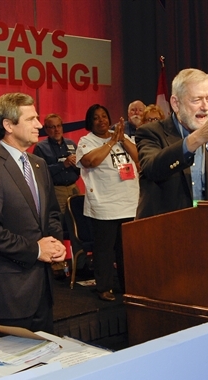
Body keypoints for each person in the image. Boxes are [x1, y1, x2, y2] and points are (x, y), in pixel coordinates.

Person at [0, 92, 65, 335]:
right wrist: (37, 250)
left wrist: (55, 243)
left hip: (42, 291)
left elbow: (52, 214)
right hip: (7, 295)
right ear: (8, 125)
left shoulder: (39, 164)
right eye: (31, 119)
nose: (39, 125)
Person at [135, 68, 208, 219]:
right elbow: (153, 169)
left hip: (205, 226)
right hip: (163, 228)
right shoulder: (151, 132)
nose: (205, 107)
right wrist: (197, 138)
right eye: (197, 100)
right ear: (176, 104)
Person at [76, 104, 139, 301]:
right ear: (90, 122)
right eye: (96, 118)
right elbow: (90, 161)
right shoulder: (86, 141)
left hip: (129, 203)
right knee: (104, 251)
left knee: (127, 250)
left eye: (104, 116)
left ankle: (128, 286)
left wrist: (122, 139)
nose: (101, 120)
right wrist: (111, 142)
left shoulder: (123, 137)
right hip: (104, 206)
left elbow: (139, 158)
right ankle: (104, 287)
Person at [33, 113, 81, 214]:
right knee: (61, 220)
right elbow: (40, 173)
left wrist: (77, 165)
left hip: (74, 188)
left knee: (78, 219)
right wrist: (63, 165)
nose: (57, 130)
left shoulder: (71, 144)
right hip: (56, 190)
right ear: (46, 130)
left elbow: (81, 167)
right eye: (52, 127)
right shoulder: (41, 148)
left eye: (59, 126)